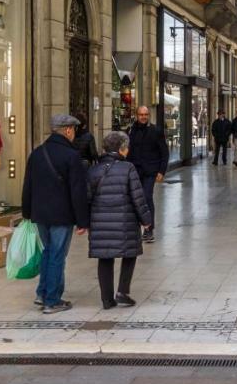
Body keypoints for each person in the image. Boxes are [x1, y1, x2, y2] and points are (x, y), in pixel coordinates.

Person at [20, 114, 89, 314]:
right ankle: (52, 300)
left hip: (40, 214)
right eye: (73, 130)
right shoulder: (71, 156)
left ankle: (42, 293)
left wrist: (27, 212)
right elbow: (78, 191)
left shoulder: (37, 153)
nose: (74, 134)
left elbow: (28, 186)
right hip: (62, 215)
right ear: (67, 130)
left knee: (47, 252)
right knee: (57, 255)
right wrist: (82, 220)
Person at [86, 131, 153, 309]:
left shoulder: (93, 170)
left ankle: (107, 299)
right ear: (122, 150)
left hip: (100, 222)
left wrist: (84, 222)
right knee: (130, 253)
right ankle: (122, 292)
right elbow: (138, 197)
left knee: (105, 258)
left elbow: (87, 198)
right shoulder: (128, 168)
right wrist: (146, 220)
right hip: (126, 221)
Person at [126, 105, 168, 243]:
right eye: (141, 114)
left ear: (148, 115)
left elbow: (164, 152)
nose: (143, 117)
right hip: (134, 171)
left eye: (146, 114)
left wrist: (161, 171)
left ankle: (149, 229)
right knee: (134, 199)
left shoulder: (156, 131)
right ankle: (135, 229)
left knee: (146, 197)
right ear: (136, 115)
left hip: (150, 171)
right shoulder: (131, 131)